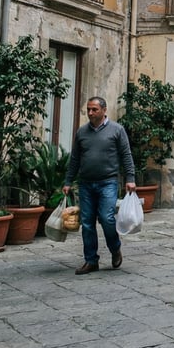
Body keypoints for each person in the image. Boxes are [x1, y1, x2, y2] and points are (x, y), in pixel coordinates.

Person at [63, 96, 136, 275]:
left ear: (104, 110)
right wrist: (68, 181)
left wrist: (130, 178)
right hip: (86, 183)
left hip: (108, 182)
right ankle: (91, 260)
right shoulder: (82, 132)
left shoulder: (117, 130)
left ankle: (115, 247)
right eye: (88, 109)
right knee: (87, 223)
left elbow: (126, 155)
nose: (90, 113)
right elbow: (75, 159)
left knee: (106, 218)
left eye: (94, 109)